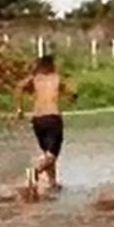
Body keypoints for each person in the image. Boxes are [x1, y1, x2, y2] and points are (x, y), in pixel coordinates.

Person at [14, 55, 77, 195]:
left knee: (47, 154)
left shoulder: (34, 79)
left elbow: (19, 87)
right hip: (53, 117)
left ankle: (53, 183)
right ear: (51, 65)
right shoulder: (57, 78)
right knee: (52, 154)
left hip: (37, 120)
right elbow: (71, 93)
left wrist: (19, 109)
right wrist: (73, 96)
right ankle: (35, 172)